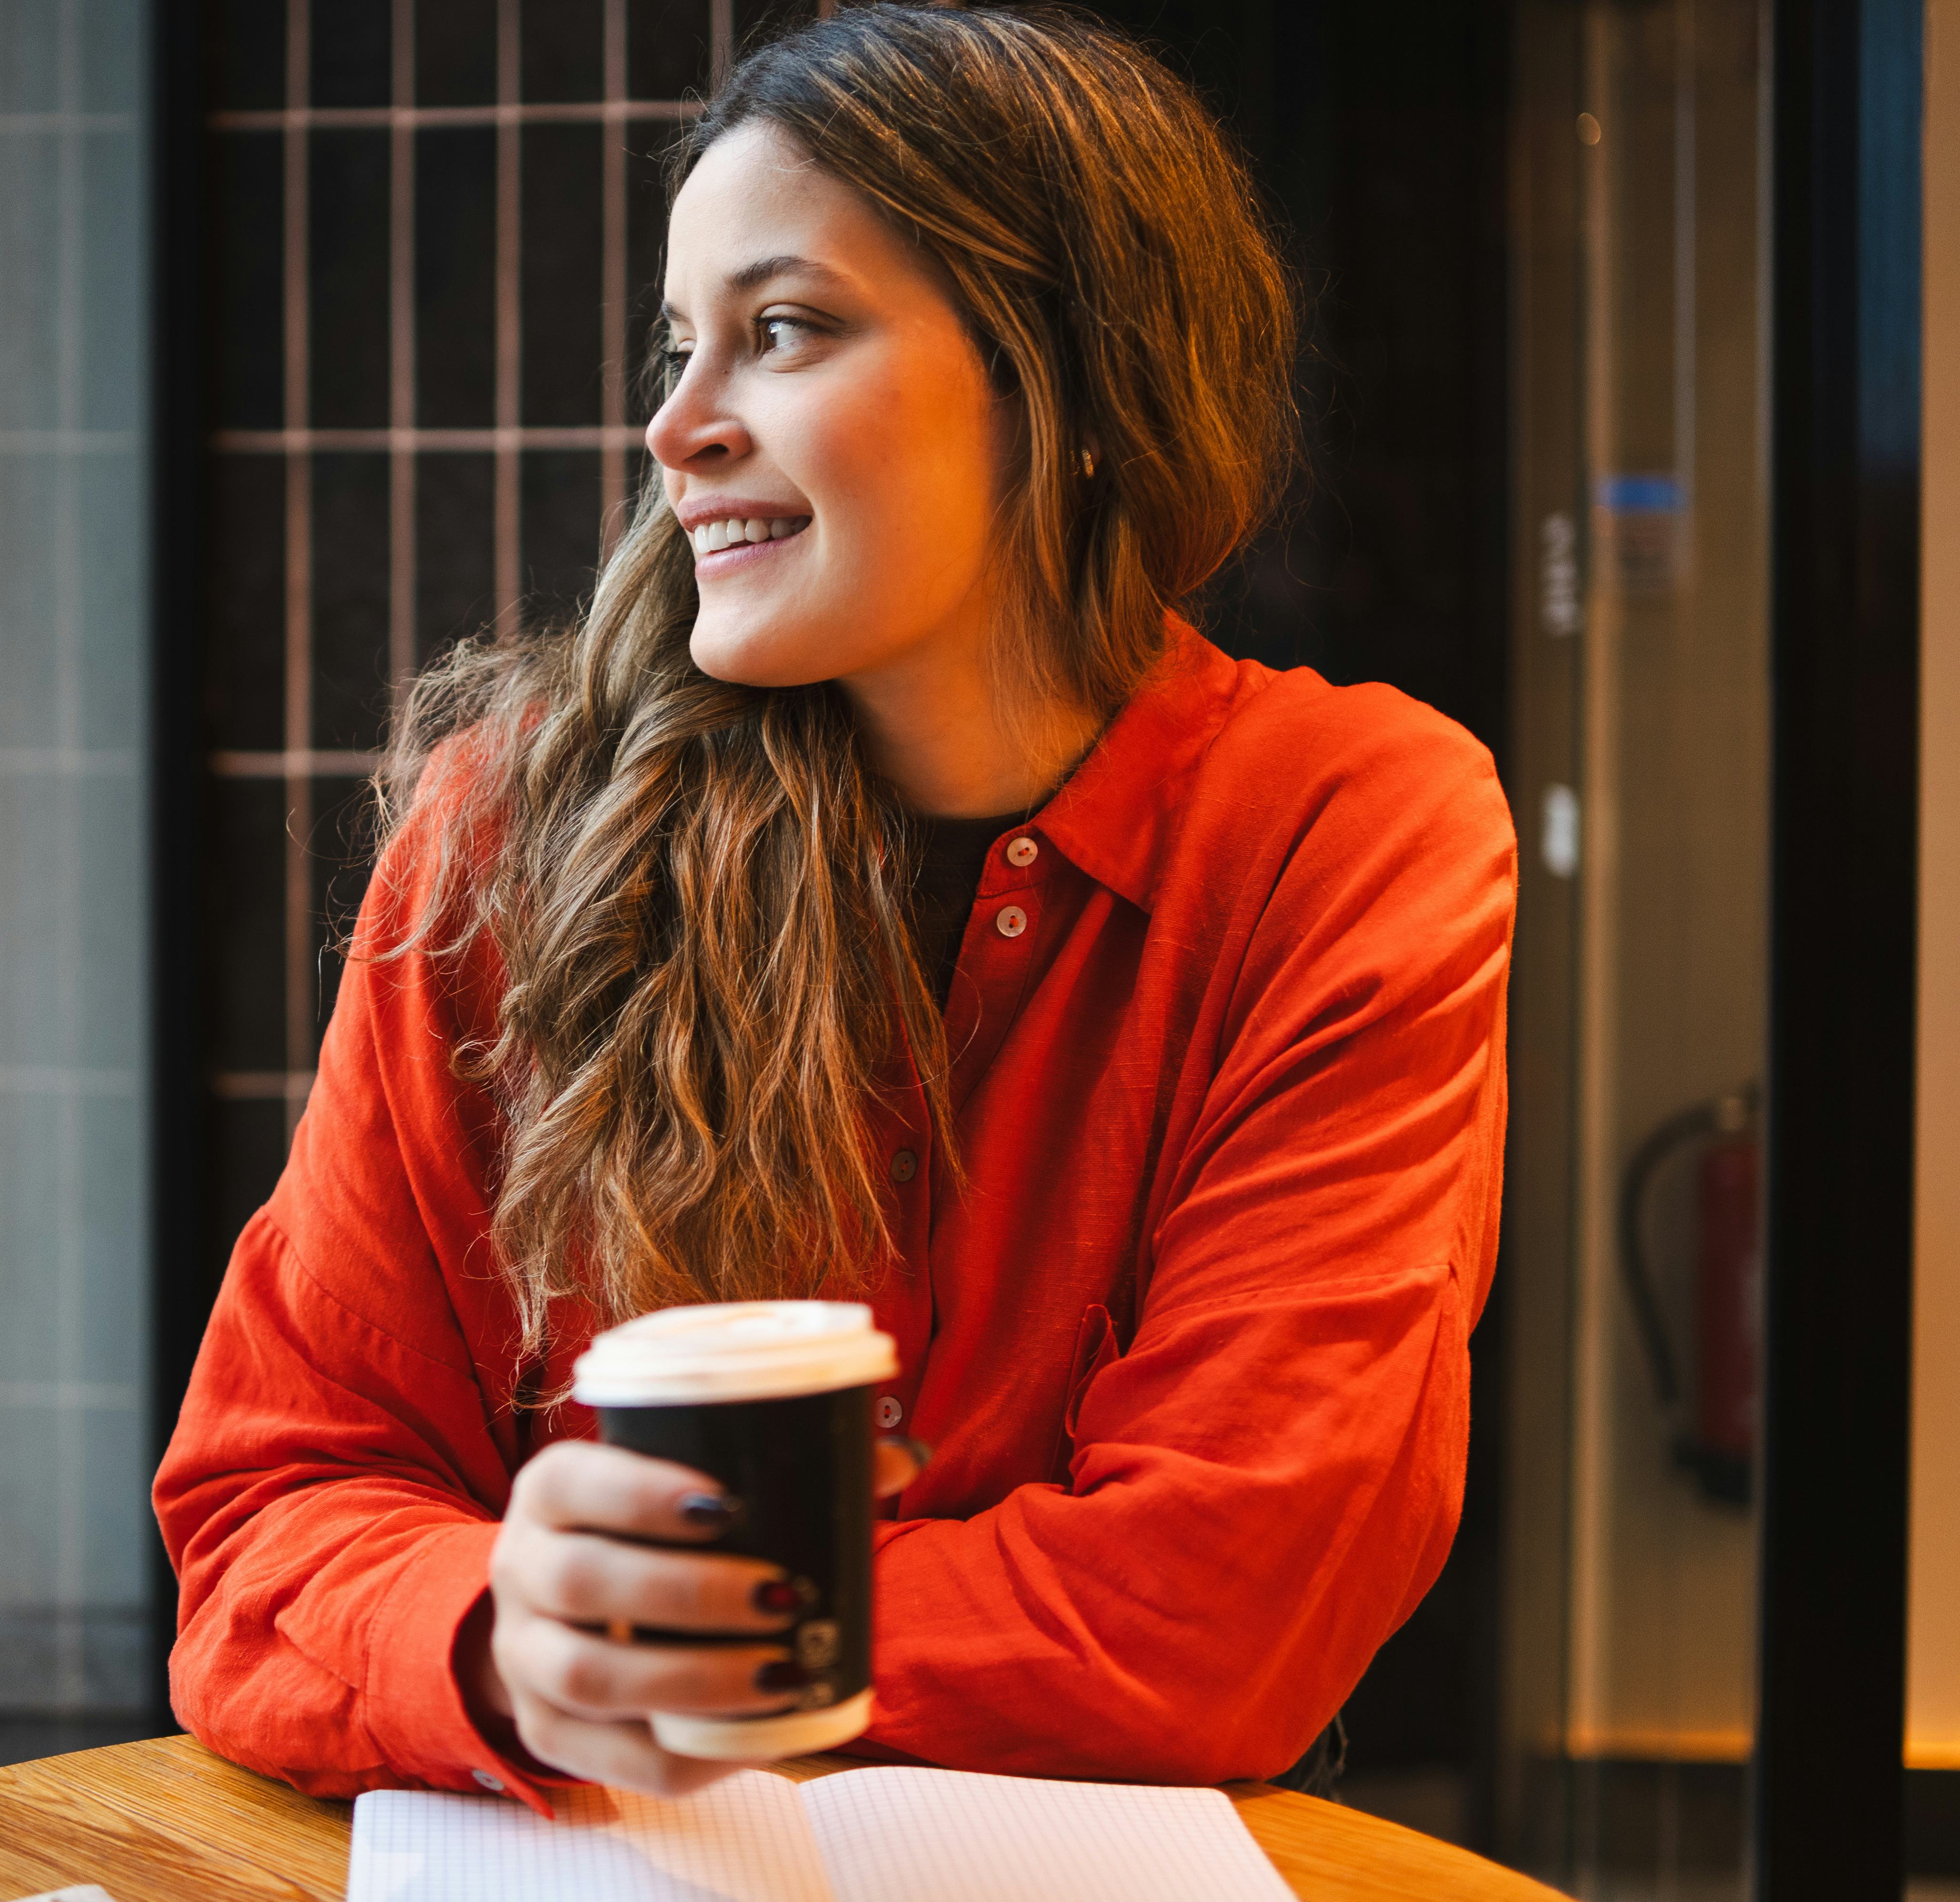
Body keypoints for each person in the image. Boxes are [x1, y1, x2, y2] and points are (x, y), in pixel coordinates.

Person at [154, 3, 1513, 1806]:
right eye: (678, 346)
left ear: (1075, 381)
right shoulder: (506, 836)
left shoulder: (1338, 835)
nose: (674, 427)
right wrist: (494, 1636)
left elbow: (1222, 1610)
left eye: (782, 330)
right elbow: (268, 1509)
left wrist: (675, 1632)